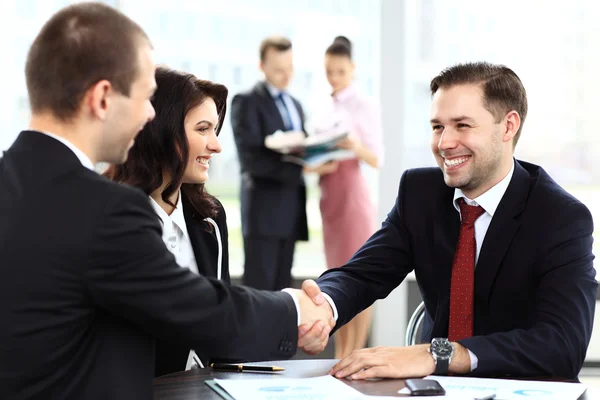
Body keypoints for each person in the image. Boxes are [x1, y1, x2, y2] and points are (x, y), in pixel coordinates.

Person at [0, 4, 332, 399]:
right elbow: (199, 309)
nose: (149, 117)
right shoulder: (106, 209)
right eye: (145, 98)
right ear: (103, 98)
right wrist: (294, 308)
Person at [299, 61, 597, 380]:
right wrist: (323, 309)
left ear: (508, 126)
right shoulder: (420, 194)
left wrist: (438, 354)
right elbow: (363, 274)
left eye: (462, 126)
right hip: (435, 389)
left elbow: (562, 346)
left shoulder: (560, 218)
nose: (444, 143)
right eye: (438, 127)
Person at [104, 66, 233, 376]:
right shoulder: (109, 215)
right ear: (162, 130)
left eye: (214, 130)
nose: (216, 145)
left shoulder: (211, 217)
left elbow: (224, 319)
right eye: (202, 129)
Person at [306, 36, 383, 359]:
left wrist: (353, 146)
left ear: (352, 69)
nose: (334, 77)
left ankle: (354, 353)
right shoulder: (325, 105)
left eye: (339, 71)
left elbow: (377, 157)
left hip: (353, 199)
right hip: (330, 198)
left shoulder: (362, 104)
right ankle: (341, 355)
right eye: (328, 71)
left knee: (359, 278)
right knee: (336, 279)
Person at [230, 36, 308, 291]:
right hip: (264, 213)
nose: (286, 75)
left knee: (284, 290)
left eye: (290, 68)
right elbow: (251, 160)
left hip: (291, 211)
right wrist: (300, 167)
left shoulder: (295, 104)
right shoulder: (247, 101)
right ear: (262, 66)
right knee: (260, 291)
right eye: (278, 69)